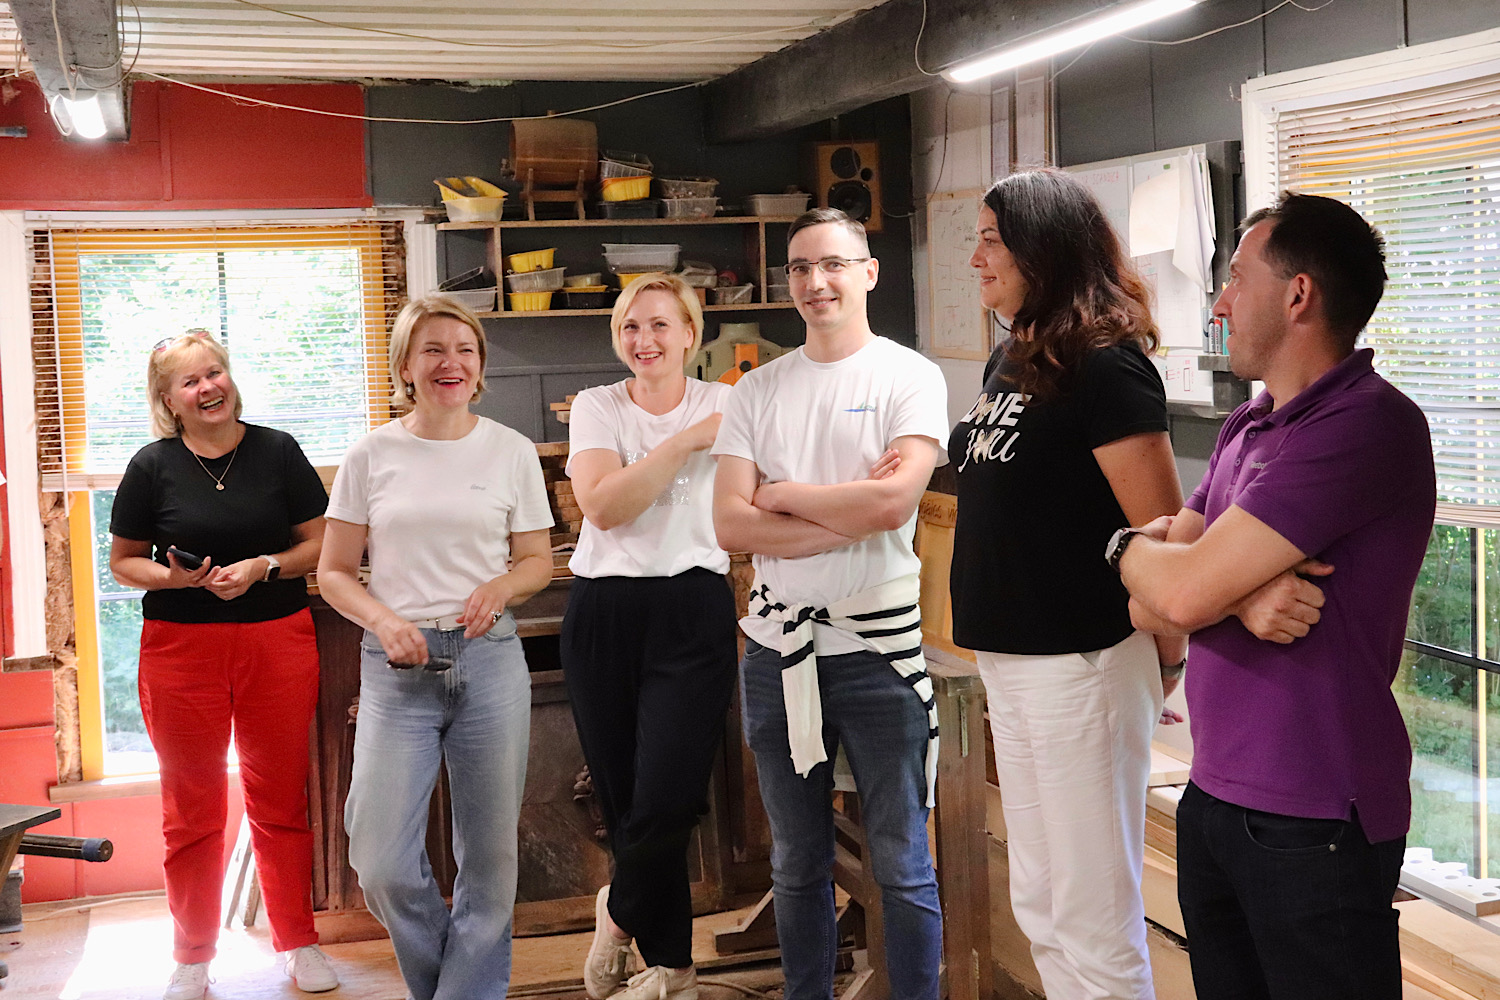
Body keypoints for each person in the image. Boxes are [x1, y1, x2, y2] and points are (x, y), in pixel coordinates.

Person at [1116, 192, 1436, 1000]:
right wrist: (1233, 595)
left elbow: (1178, 593)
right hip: (1214, 796)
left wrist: (1127, 550)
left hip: (1315, 816)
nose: (1219, 302)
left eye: (1235, 277)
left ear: (1298, 295)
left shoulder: (1367, 425)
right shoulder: (1246, 426)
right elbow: (1152, 608)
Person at [946, 169, 1184, 1000]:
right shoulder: (1013, 356)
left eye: (990, 239)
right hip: (1012, 662)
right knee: (1041, 904)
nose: (975, 257)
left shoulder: (1107, 367)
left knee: (1092, 915)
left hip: (1082, 662)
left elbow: (1165, 534)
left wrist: (1168, 658)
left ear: (1041, 249)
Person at [712, 208, 949, 1000]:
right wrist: (846, 512)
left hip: (881, 655)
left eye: (834, 264)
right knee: (795, 861)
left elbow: (894, 504)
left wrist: (783, 497)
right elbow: (729, 524)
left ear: (869, 273)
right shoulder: (758, 389)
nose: (817, 282)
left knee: (902, 860)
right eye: (801, 268)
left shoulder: (908, 376)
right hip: (777, 651)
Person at [317, 293, 554, 1000]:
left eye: (465, 350)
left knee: (490, 861)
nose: (451, 363)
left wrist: (502, 587)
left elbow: (536, 562)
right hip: (397, 670)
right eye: (433, 350)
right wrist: (382, 619)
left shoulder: (511, 451)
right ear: (405, 366)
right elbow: (333, 571)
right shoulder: (371, 455)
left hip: (489, 660)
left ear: (479, 366)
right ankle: (454, 985)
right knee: (380, 860)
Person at [108, 330, 338, 1000]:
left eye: (215, 372)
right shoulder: (151, 466)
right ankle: (192, 956)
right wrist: (175, 579)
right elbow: (124, 563)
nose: (209, 388)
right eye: (191, 381)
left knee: (281, 799)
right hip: (181, 651)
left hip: (277, 640)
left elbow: (321, 545)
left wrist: (266, 565)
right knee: (191, 809)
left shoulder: (278, 451)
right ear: (168, 400)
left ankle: (297, 942)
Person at [562, 274, 738, 1000]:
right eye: (631, 327)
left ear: (691, 334)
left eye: (662, 325)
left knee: (671, 797)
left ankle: (619, 913)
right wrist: (689, 440)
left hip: (693, 607)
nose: (646, 340)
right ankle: (676, 971)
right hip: (603, 611)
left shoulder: (730, 402)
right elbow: (604, 507)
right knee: (626, 801)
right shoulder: (598, 406)